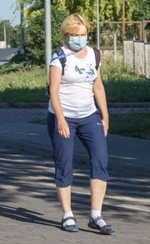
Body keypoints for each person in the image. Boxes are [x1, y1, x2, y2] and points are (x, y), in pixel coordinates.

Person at [48, 14, 114, 234]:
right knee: (65, 164)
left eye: (83, 34)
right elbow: (53, 91)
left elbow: (98, 87)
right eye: (75, 35)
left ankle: (96, 215)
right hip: (63, 116)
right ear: (66, 35)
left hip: (89, 116)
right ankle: (67, 214)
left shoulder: (94, 55)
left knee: (100, 160)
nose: (79, 38)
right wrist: (61, 119)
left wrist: (105, 116)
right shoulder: (59, 56)